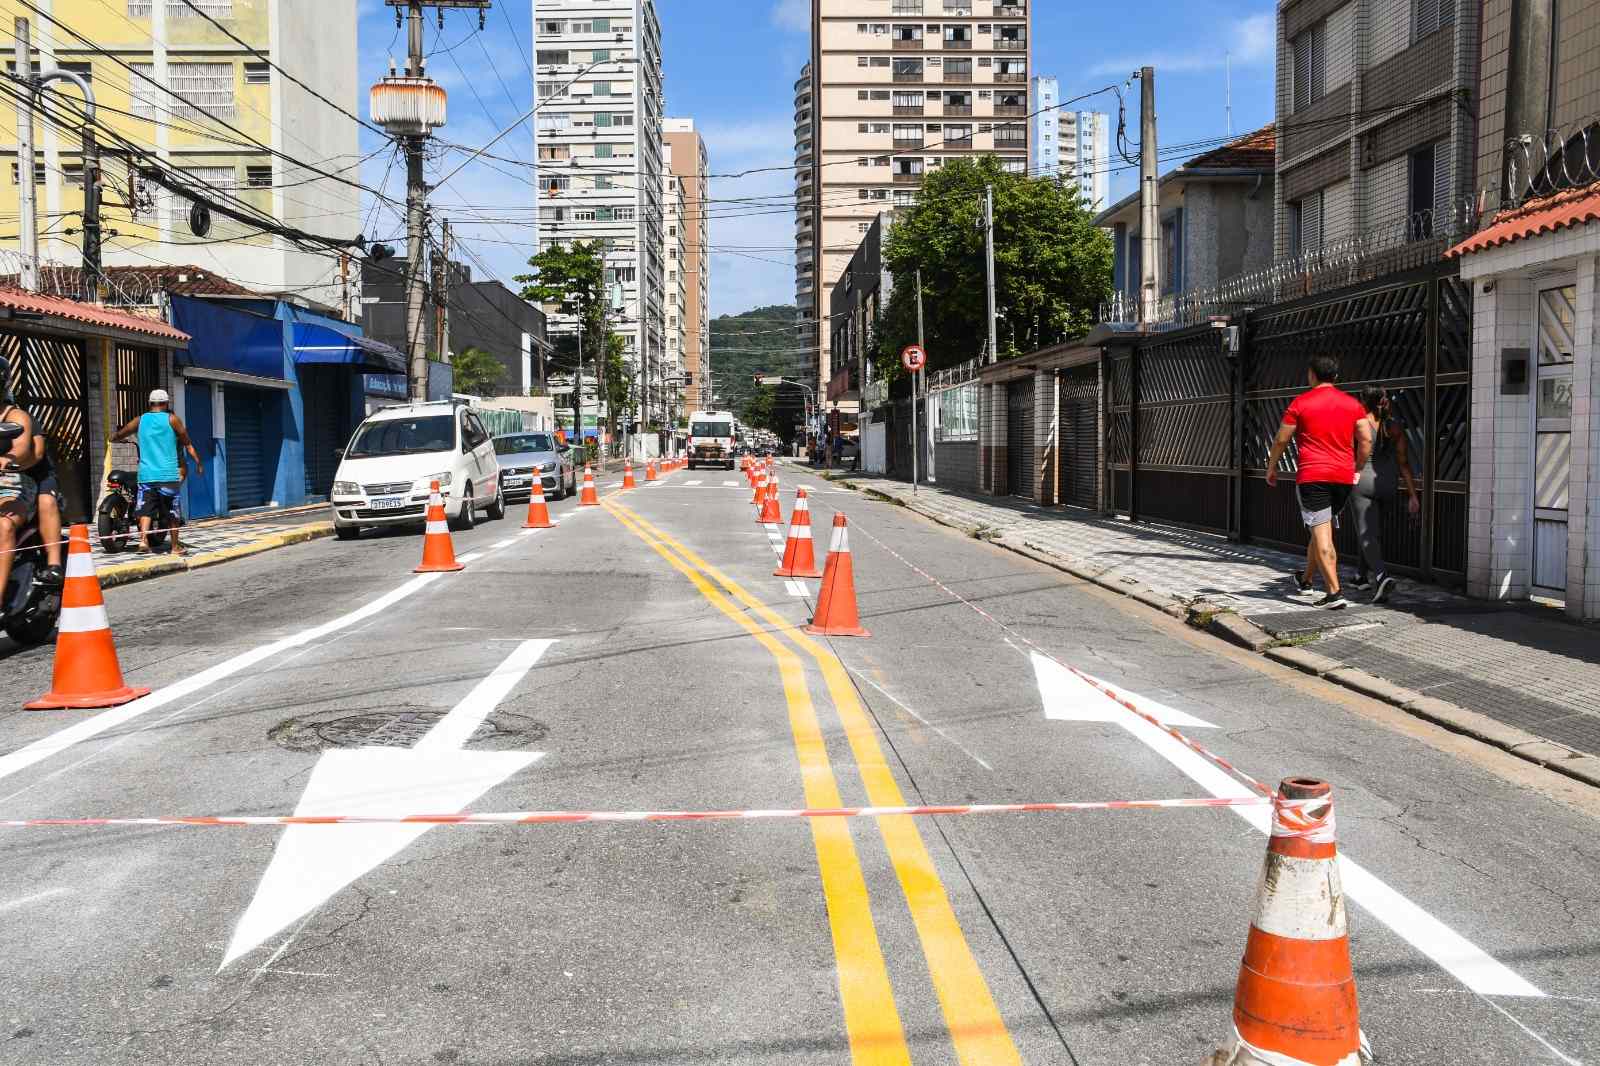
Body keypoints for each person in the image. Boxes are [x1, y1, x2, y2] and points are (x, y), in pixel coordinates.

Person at [1264, 354, 1374, 610]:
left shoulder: (1301, 403)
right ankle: (1306, 580)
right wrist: (1356, 466)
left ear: (1311, 375)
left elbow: (1281, 439)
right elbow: (1366, 440)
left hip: (1313, 477)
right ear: (1335, 377)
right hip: (1343, 478)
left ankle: (1335, 593)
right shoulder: (1352, 405)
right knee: (1320, 528)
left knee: (1322, 534)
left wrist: (1271, 467)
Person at [1348, 387, 1420, 603]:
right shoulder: (1394, 427)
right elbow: (1404, 463)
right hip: (1387, 484)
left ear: (1363, 401)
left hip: (1362, 482)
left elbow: (1346, 452)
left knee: (1366, 533)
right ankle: (1360, 576)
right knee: (1372, 532)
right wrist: (1413, 495)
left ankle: (1381, 577)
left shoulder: (1358, 424)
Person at [110, 388, 203, 556]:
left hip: (146, 474)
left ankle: (143, 541)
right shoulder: (172, 419)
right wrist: (198, 462)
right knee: (172, 512)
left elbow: (121, 433)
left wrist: (114, 438)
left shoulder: (140, 420)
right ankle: (175, 547)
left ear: (150, 403)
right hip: (167, 475)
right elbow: (187, 443)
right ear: (166, 403)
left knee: (145, 509)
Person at [0, 394, 43, 609]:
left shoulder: (14, 415)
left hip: (10, 482)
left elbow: (22, 446)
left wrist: (7, 459)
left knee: (3, 525)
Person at [23, 423, 63, 588]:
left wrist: (15, 464)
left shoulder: (22, 418)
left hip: (38, 475)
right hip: (7, 480)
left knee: (46, 501)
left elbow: (38, 452)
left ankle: (54, 564)